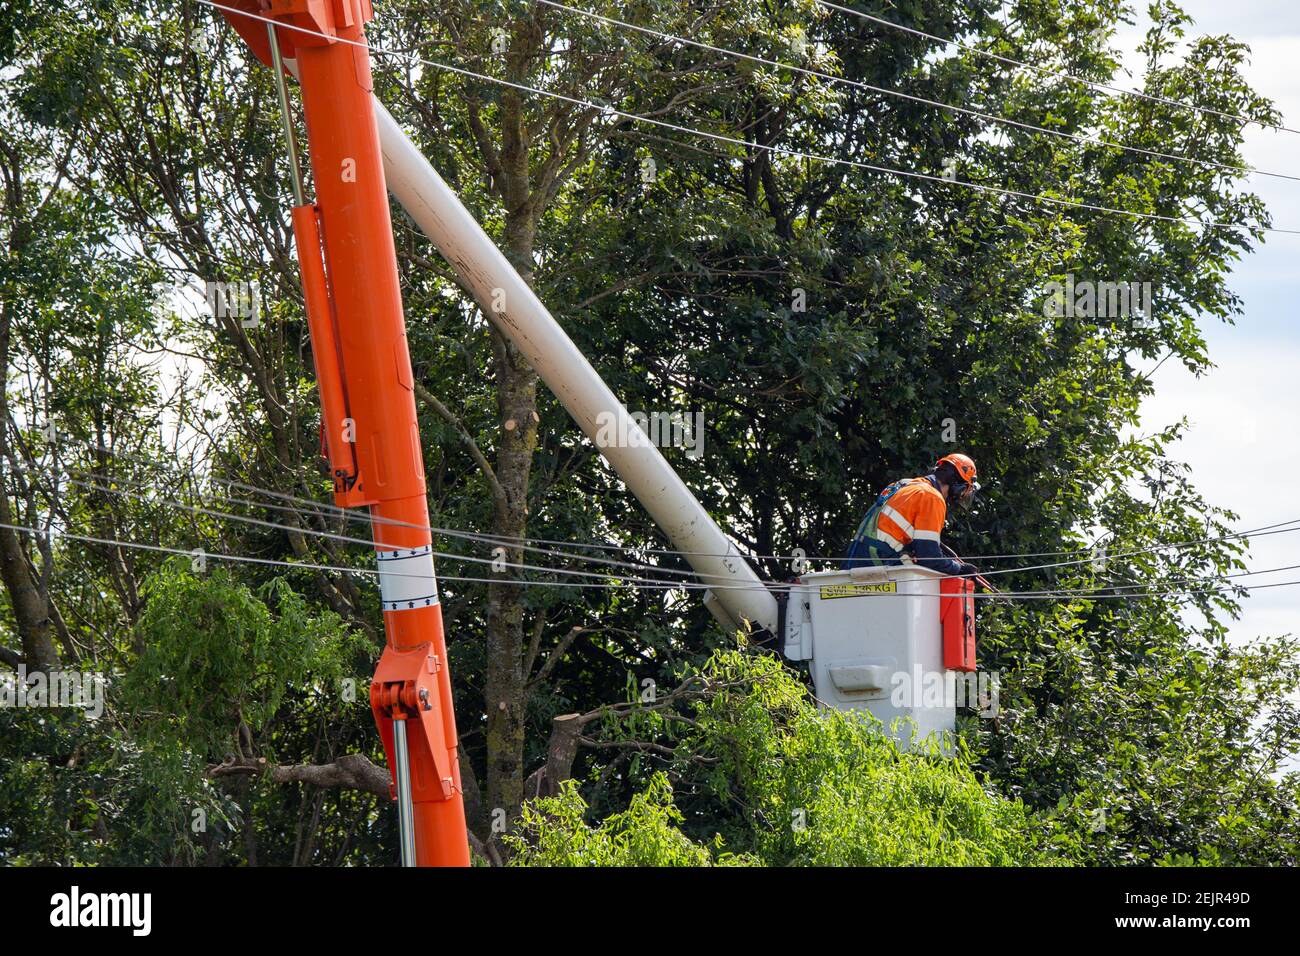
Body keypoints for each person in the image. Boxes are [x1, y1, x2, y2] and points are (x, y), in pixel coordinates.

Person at [842, 453, 980, 576]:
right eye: (965, 490)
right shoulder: (932, 497)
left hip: (856, 558)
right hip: (878, 560)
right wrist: (958, 569)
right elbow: (929, 557)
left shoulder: (906, 485)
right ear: (958, 486)